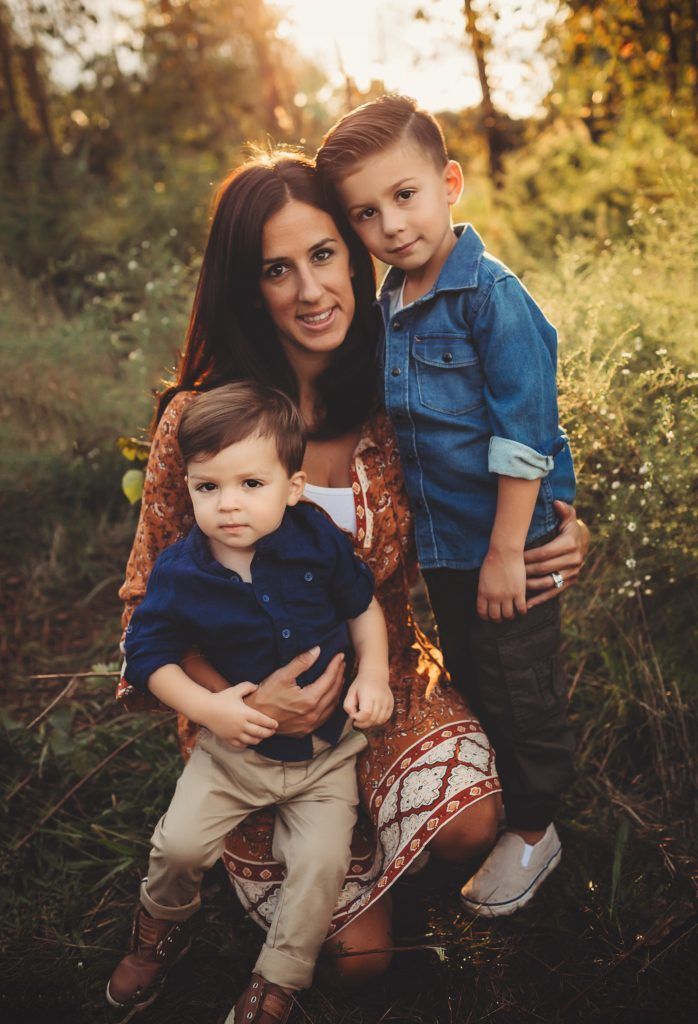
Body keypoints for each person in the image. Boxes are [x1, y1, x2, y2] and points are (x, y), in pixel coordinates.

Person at [117, 150, 588, 1016]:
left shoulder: (391, 396)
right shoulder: (203, 420)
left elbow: (489, 465)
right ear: (246, 286)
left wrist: (562, 520)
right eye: (276, 269)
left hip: (387, 679)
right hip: (246, 718)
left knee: (471, 826)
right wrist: (244, 707)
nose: (309, 289)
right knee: (357, 967)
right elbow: (146, 602)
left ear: (357, 252)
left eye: (325, 254)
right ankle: (285, 898)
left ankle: (391, 851)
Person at [316, 93, 577, 916]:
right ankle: (499, 799)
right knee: (478, 676)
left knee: (523, 684)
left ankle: (537, 826)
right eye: (366, 212)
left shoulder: (488, 297)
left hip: (504, 547)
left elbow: (525, 431)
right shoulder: (391, 301)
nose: (391, 225)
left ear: (450, 182)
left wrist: (507, 548)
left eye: (405, 196)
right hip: (449, 549)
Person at [108, 382, 393, 1020]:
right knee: (178, 845)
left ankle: (279, 979)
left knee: (319, 864)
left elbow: (362, 608)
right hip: (232, 751)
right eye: (208, 487)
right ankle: (162, 928)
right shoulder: (182, 573)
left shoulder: (314, 539)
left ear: (293, 487)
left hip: (325, 758)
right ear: (188, 488)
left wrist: (372, 674)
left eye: (251, 485)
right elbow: (148, 654)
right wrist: (210, 711)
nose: (228, 505)